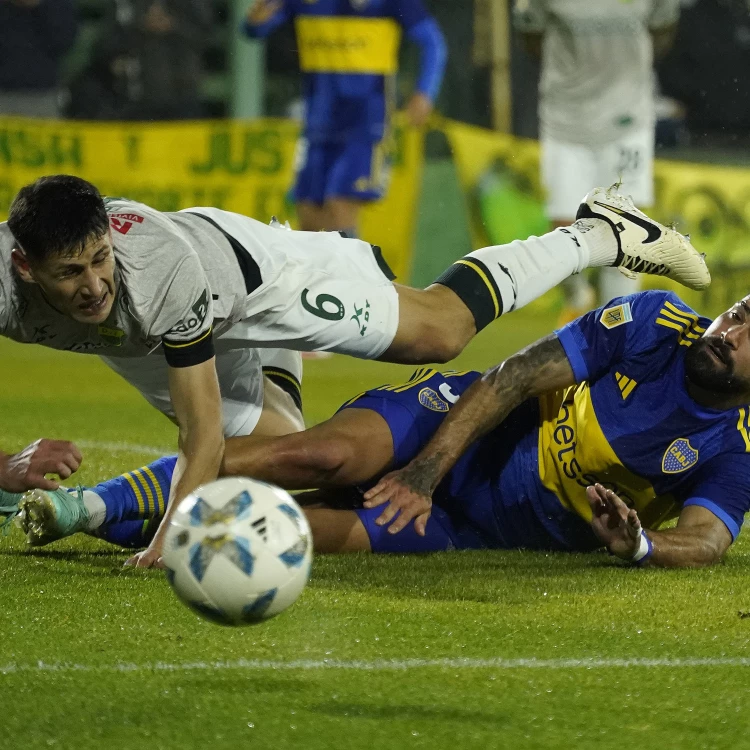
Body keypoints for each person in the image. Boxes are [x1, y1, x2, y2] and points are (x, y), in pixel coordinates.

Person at [0, 176, 708, 567]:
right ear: (24, 267)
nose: (94, 282)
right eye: (71, 272)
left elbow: (201, 434)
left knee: (439, 330)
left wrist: (165, 546)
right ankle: (274, 363)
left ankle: (600, 231)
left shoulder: (159, 275)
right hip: (140, 336)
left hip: (248, 279)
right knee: (284, 442)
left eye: (101, 260)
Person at [16, 288, 750, 569]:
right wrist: (426, 471)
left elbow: (709, 540)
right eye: (741, 311)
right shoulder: (657, 323)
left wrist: (643, 543)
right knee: (322, 455)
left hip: (483, 530)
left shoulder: (731, 449)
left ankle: (90, 527)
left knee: (282, 533)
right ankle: (96, 502)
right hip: (463, 428)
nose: (735, 329)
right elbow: (513, 376)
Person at [513, 0, 680, 322]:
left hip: (626, 118)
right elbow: (530, 35)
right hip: (566, 117)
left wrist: (622, 68)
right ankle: (577, 294)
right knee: (564, 224)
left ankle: (620, 318)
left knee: (626, 226)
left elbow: (663, 30)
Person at [242, 0, 447, 237]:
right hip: (318, 124)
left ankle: (350, 274)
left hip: (367, 122)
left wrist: (425, 93)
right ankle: (325, 274)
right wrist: (255, 21)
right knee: (308, 215)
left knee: (339, 206)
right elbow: (255, 30)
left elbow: (433, 42)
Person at [67, 0, 212, 121]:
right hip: (135, 101)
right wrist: (141, 26)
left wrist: (173, 25)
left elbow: (205, 34)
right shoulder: (124, 3)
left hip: (182, 97)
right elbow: (106, 44)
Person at [0, 0, 78, 118]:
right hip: (3, 93)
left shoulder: (58, 5)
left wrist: (39, 5)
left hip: (42, 95)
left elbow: (64, 40)